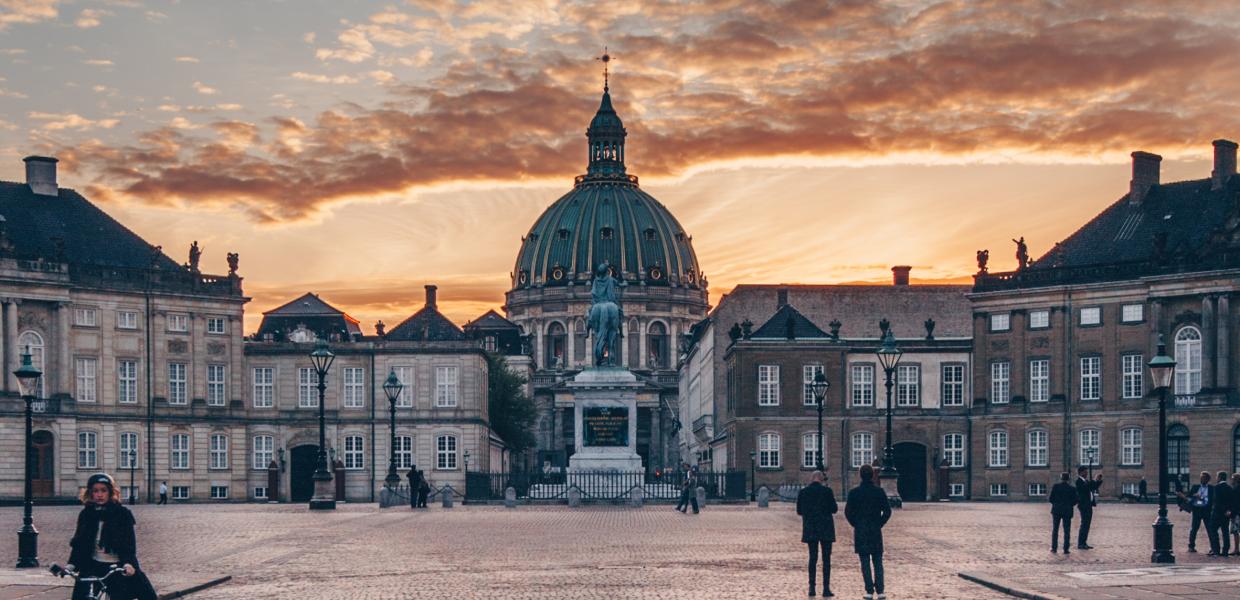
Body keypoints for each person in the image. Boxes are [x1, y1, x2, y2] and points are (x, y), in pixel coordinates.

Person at [65, 473, 158, 600]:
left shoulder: (122, 514)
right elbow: (79, 542)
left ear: (110, 492)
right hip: (93, 565)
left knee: (146, 595)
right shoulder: (86, 514)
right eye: (95, 491)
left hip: (117, 566)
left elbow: (129, 544)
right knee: (82, 596)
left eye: (103, 490)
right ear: (90, 493)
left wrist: (128, 563)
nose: (99, 494)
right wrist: (72, 564)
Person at [845, 464, 891, 600]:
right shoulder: (879, 492)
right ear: (873, 475)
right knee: (877, 561)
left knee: (864, 561)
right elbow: (887, 511)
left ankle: (869, 591)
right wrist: (880, 523)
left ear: (860, 475)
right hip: (875, 530)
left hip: (861, 530)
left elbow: (848, 512)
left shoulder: (854, 493)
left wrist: (856, 524)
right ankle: (881, 590)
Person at [797, 470, 837, 597]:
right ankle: (826, 588)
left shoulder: (803, 492)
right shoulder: (827, 491)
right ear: (821, 479)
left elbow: (799, 511)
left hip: (811, 528)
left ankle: (812, 588)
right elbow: (834, 509)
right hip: (826, 528)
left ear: (812, 478)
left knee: (812, 558)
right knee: (826, 559)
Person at [1178, 471, 1214, 553]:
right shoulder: (1195, 487)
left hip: (1206, 511)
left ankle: (1213, 547)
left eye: (1204, 478)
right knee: (1194, 529)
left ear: (1208, 479)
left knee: (1210, 529)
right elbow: (1189, 498)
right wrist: (1183, 497)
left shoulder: (1211, 488)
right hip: (1197, 510)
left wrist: (1201, 497)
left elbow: (1211, 501)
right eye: (1201, 478)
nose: (1202, 479)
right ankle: (1191, 546)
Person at [1049, 472, 1077, 554]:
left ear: (1061, 478)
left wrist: (1056, 504)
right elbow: (1075, 501)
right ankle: (1066, 549)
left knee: (1055, 529)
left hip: (1056, 510)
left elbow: (1051, 499)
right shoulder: (1072, 488)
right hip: (1067, 510)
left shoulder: (1056, 487)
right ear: (1068, 479)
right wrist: (1069, 505)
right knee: (1067, 530)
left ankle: (1054, 548)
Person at [1075, 466, 1102, 549]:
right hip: (1083, 505)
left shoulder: (1085, 481)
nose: (1086, 473)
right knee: (1084, 524)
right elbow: (1085, 488)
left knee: (1087, 525)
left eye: (1087, 472)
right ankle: (1080, 543)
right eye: (1085, 472)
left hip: (1088, 505)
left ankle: (1084, 542)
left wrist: (1098, 481)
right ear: (1080, 473)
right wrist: (1093, 480)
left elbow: (1093, 487)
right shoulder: (1079, 481)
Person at [1211, 471, 1232, 557]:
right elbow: (1232, 501)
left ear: (1219, 477)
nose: (1216, 478)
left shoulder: (1216, 487)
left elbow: (1216, 501)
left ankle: (1216, 550)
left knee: (1213, 531)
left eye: (1217, 477)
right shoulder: (1229, 488)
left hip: (1217, 513)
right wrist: (1228, 510)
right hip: (1226, 514)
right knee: (1225, 532)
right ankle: (1225, 551)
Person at [1230, 473, 1240, 556]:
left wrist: (1232, 513)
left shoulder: (1235, 489)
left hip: (1236, 514)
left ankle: (1236, 549)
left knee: (1235, 531)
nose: (1231, 480)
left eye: (1233, 478)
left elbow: (1235, 503)